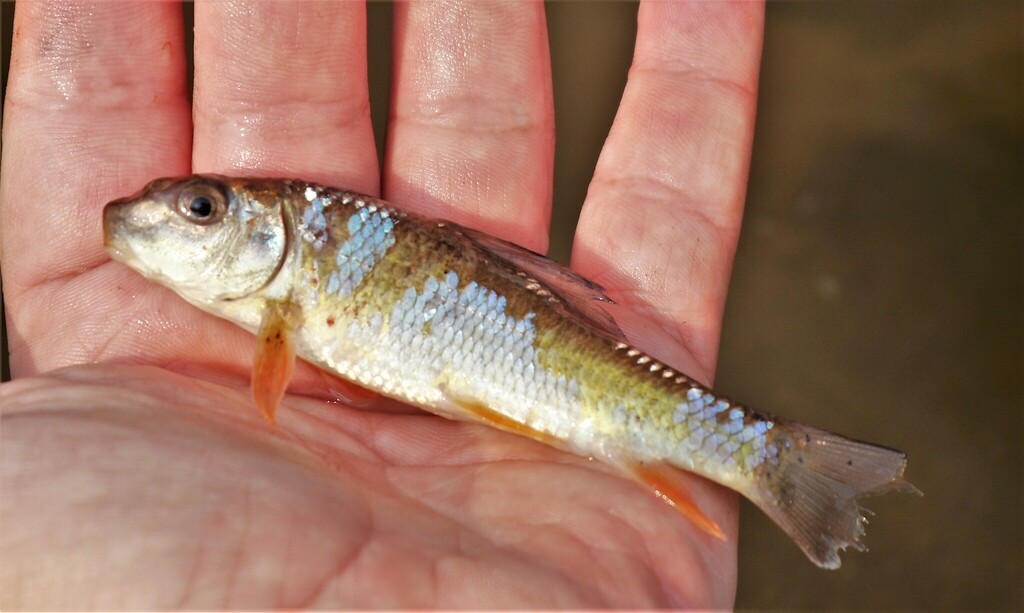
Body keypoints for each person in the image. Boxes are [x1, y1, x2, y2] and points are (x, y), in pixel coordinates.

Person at [0, 1, 762, 608]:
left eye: (202, 208)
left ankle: (760, 455)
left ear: (278, 237)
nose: (168, 215)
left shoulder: (280, 310)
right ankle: (750, 451)